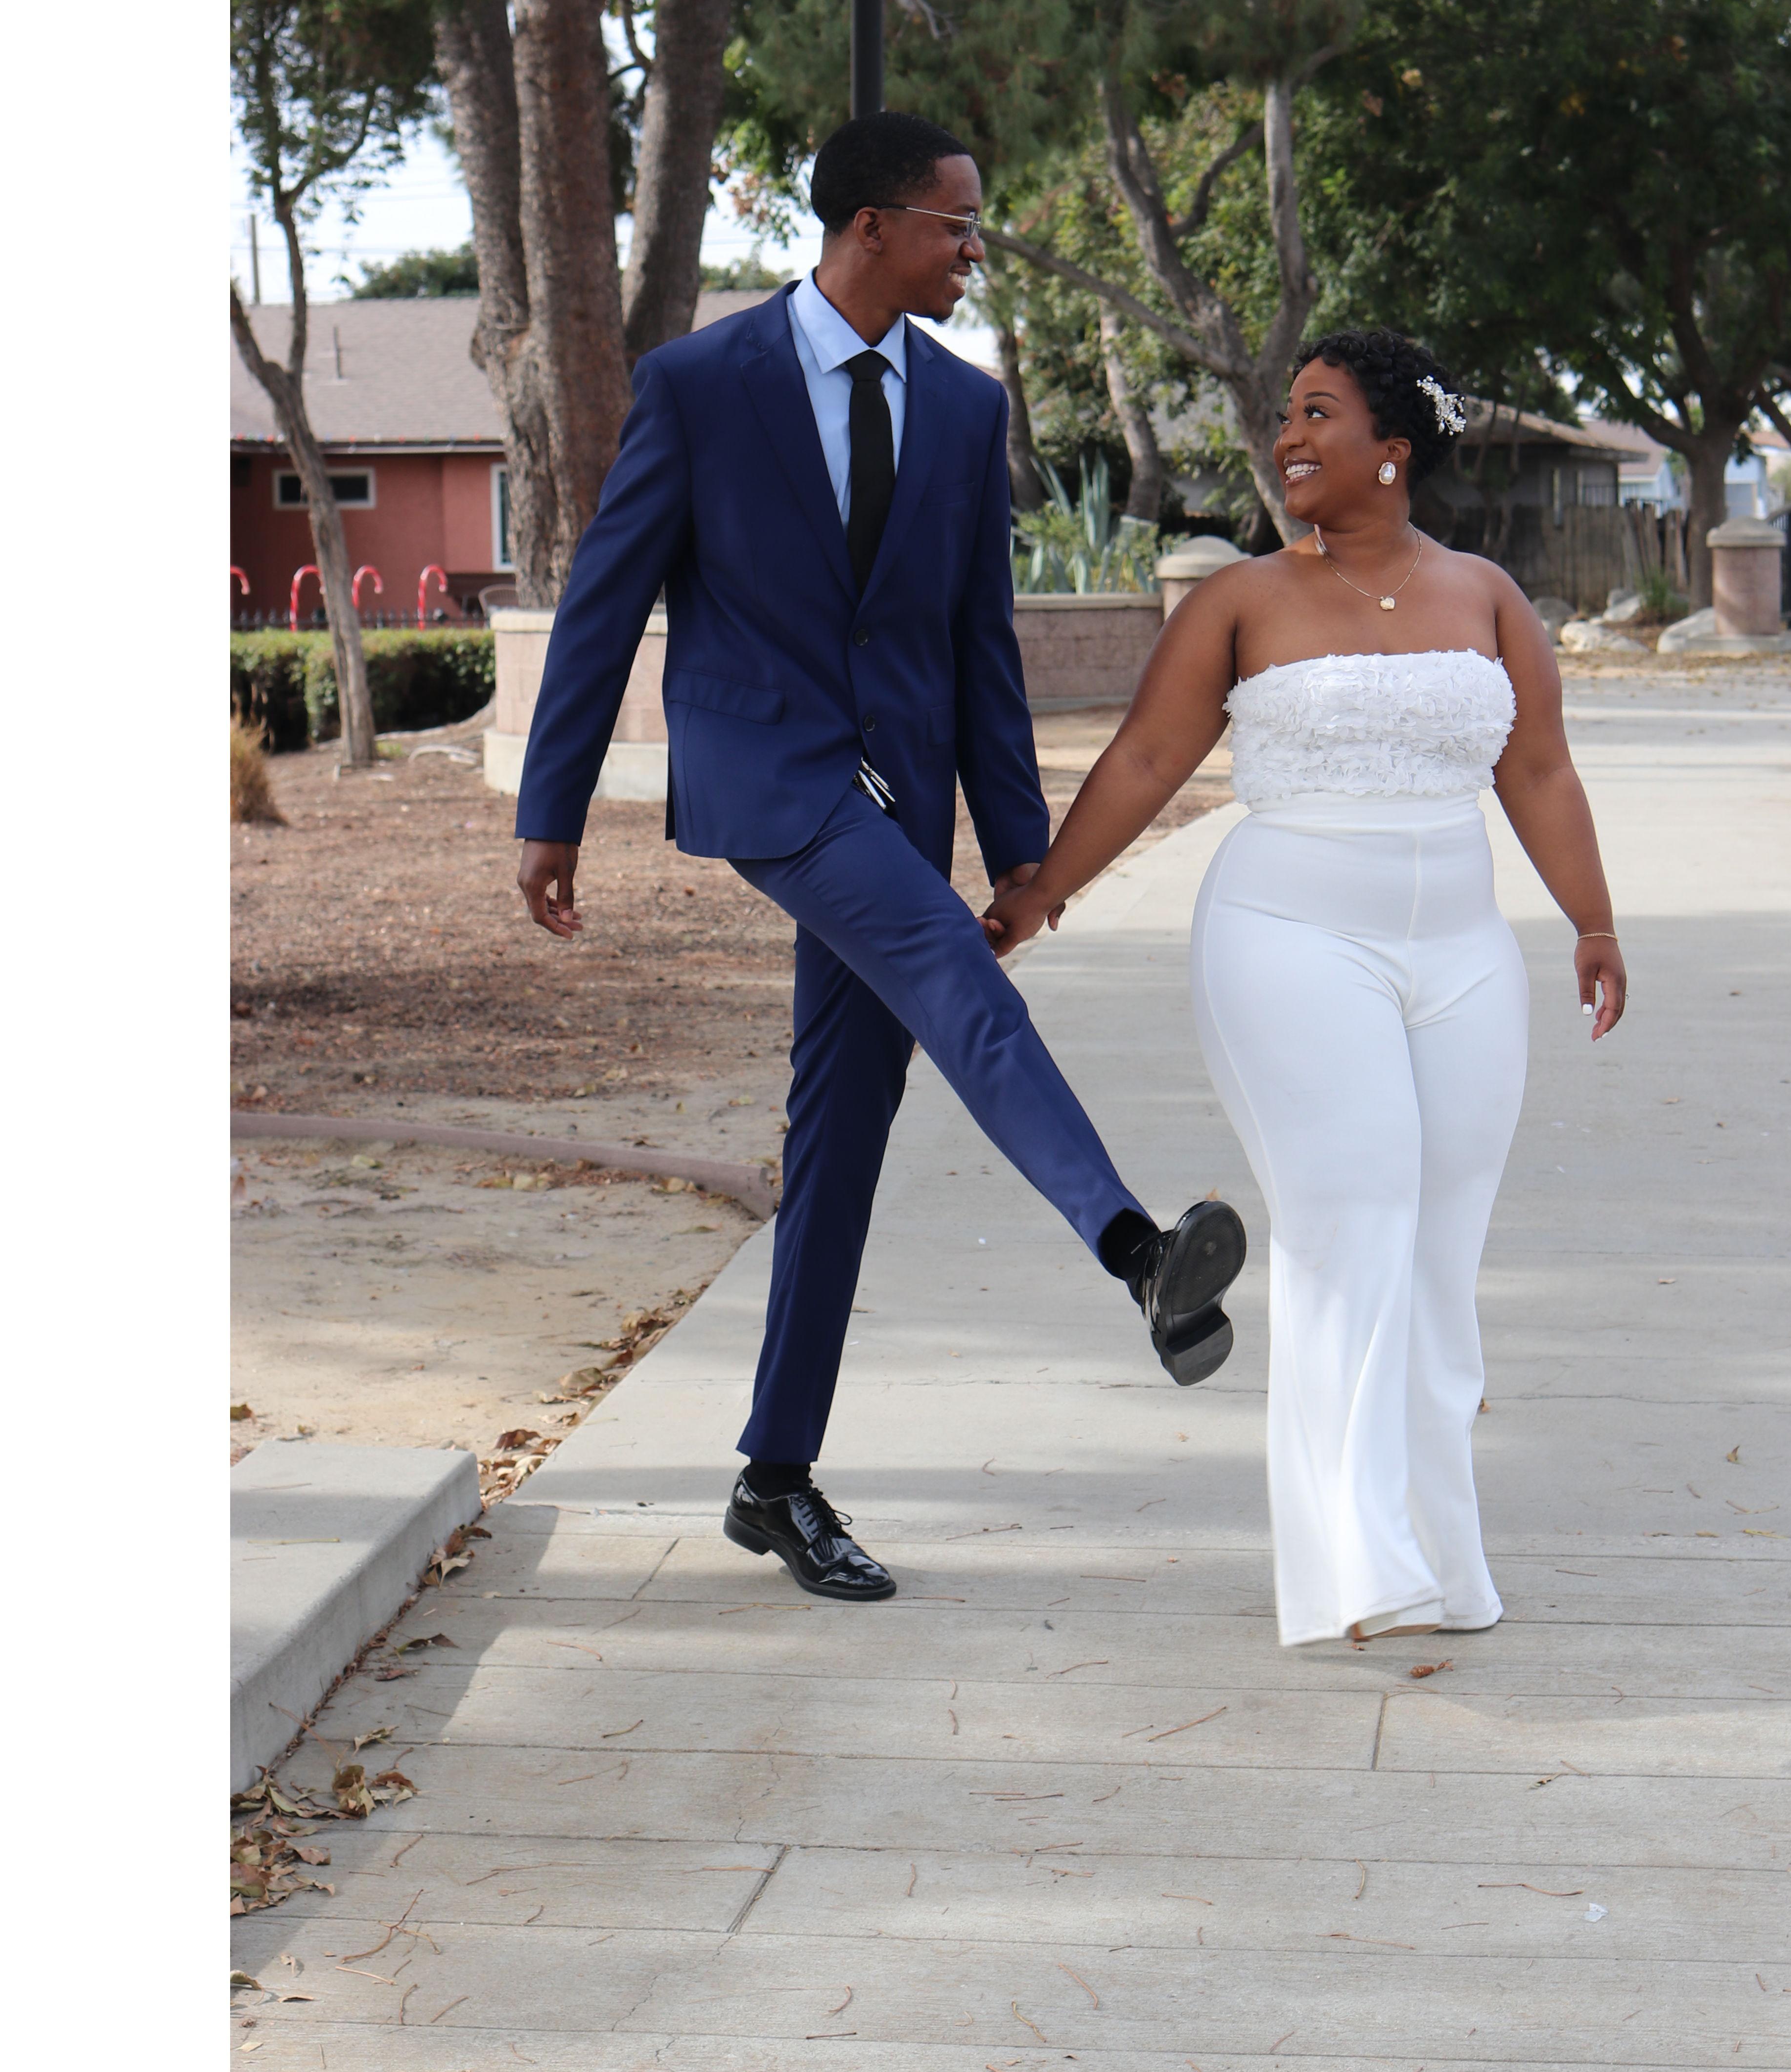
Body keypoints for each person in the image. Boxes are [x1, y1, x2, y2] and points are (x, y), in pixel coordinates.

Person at [511, 111, 1246, 1604]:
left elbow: (980, 646)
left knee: (842, 1138)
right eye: (956, 225)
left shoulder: (966, 409)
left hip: (899, 789)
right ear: (870, 227)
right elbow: (605, 602)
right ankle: (1132, 1247)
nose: (976, 250)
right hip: (770, 775)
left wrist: (1026, 857)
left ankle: (775, 1480)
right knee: (948, 978)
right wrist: (553, 808)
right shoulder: (701, 383)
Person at [986, 330, 1626, 1646]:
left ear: (1393, 447)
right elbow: (1148, 756)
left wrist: (1593, 922)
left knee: (1440, 1253)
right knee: (1354, 1215)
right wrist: (1045, 891)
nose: (1288, 437)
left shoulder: (1488, 597)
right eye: (1286, 414)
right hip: (1287, 938)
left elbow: (1540, 770)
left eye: (1318, 412)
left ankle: (1441, 1557)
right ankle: (1354, 1560)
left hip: (1463, 958)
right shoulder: (1241, 600)